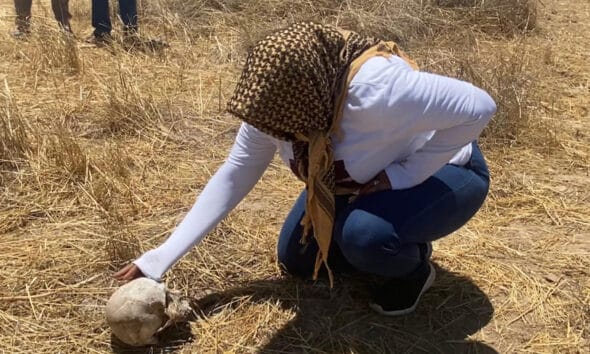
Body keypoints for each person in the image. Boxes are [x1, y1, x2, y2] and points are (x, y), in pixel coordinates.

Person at [114, 22, 496, 316]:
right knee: (296, 259)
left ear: (308, 99)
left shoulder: (381, 91)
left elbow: (480, 107)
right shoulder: (274, 104)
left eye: (284, 129)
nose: (273, 134)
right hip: (361, 185)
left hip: (447, 172)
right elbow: (235, 173)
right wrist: (158, 259)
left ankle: (411, 266)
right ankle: (378, 234)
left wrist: (403, 175)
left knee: (365, 236)